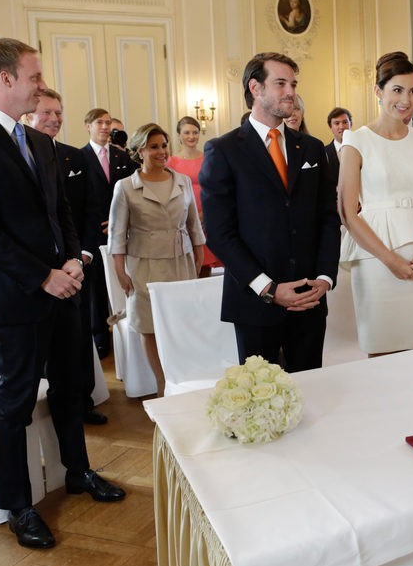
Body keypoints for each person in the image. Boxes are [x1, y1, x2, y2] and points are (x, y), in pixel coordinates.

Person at [0, 38, 125, 550]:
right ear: (6, 81)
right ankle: (18, 505)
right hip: (17, 296)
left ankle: (79, 473)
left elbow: (59, 212)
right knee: (16, 400)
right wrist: (42, 276)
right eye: (35, 77)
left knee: (72, 389)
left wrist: (70, 260)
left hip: (63, 288)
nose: (42, 86)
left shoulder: (39, 143)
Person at [200, 52, 340, 372]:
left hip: (309, 298)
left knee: (311, 394)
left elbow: (328, 219)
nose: (291, 91)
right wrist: (269, 288)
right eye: (280, 83)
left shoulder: (312, 148)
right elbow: (220, 233)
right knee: (260, 402)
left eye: (293, 83)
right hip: (254, 302)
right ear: (256, 88)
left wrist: (324, 277)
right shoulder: (223, 151)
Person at [338, 52, 413, 355]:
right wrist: (390, 259)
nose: (406, 99)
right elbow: (347, 212)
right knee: (382, 344)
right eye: (397, 90)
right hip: (375, 254)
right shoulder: (356, 140)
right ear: (378, 92)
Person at [26, 89, 108, 425]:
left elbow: (89, 212)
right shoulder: (18, 158)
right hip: (40, 272)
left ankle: (84, 400)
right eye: (46, 113)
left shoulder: (76, 158)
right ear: (29, 115)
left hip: (77, 265)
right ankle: (47, 408)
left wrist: (83, 257)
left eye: (59, 113)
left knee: (80, 336)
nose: (54, 119)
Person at [108, 123, 204, 397]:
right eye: (154, 147)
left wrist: (197, 257)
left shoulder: (182, 180)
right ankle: (162, 384)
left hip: (180, 261)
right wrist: (120, 271)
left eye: (163, 145)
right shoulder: (125, 187)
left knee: (181, 323)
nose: (162, 152)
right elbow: (117, 234)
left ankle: (181, 378)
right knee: (149, 328)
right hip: (145, 267)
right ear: (140, 151)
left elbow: (193, 224)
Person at [81, 108, 137, 358]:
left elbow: (133, 191)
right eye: (99, 123)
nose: (104, 127)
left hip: (124, 230)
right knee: (97, 288)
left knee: (126, 280)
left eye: (107, 122)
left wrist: (118, 221)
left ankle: (131, 330)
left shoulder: (122, 157)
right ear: (88, 126)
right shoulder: (78, 157)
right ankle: (100, 338)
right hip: (93, 232)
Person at [166, 116, 223, 277]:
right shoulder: (171, 162)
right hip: (182, 218)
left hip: (207, 215)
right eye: (187, 133)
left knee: (205, 263)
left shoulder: (208, 157)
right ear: (179, 135)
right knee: (186, 264)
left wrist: (205, 215)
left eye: (195, 132)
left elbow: (217, 187)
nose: (192, 136)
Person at [324, 106, 352, 183]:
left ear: (351, 124)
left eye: (345, 122)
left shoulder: (362, 149)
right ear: (330, 127)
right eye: (337, 123)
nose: (341, 127)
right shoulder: (323, 153)